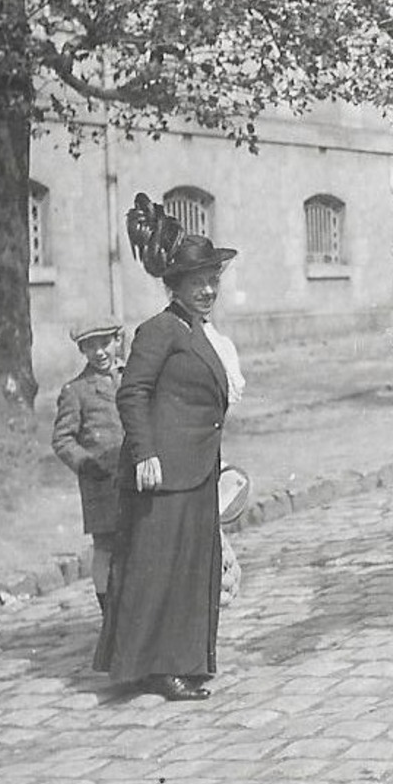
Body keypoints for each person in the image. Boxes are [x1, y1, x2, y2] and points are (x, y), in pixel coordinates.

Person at [94, 199, 238, 703]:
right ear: (173, 286)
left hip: (196, 468)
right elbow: (131, 392)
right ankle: (159, 668)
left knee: (193, 568)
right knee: (162, 570)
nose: (207, 290)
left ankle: (186, 661)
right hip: (165, 471)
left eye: (212, 280)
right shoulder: (159, 331)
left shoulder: (196, 332)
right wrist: (145, 453)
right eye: (196, 282)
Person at [51, 318, 125, 615]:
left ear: (117, 341)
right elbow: (62, 439)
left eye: (104, 343)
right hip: (102, 483)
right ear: (82, 350)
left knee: (142, 541)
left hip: (138, 476)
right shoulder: (76, 390)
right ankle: (109, 612)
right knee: (106, 546)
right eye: (90, 346)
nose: (99, 352)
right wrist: (84, 463)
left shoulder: (134, 376)